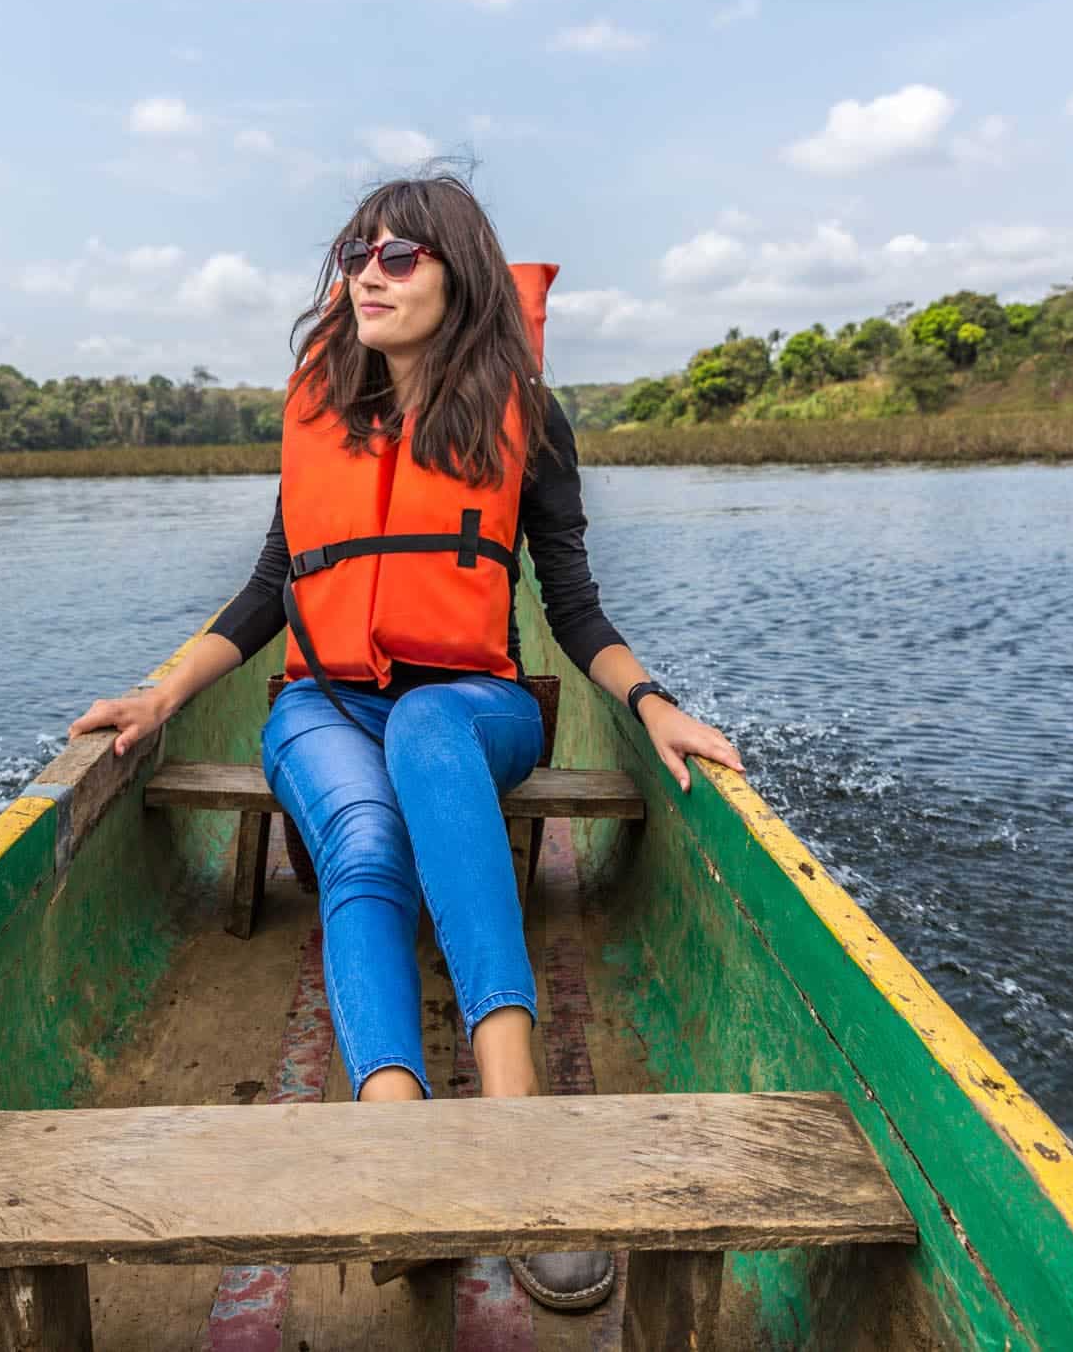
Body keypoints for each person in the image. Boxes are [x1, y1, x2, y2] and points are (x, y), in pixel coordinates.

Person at [70, 172, 743, 1313]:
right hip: (323, 704)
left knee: (430, 728)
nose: (365, 276)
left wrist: (651, 704)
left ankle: (516, 1123)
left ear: (456, 271)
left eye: (397, 256)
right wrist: (160, 694)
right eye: (354, 256)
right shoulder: (318, 411)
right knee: (365, 844)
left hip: (474, 709)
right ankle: (396, 1131)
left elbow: (571, 608)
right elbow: (269, 590)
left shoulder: (526, 419)